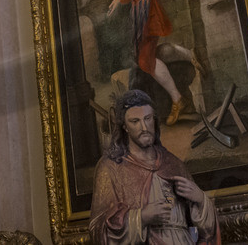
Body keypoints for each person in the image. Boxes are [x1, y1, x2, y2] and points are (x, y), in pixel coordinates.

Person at [108, 0, 217, 125]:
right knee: (151, 55)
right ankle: (188, 54)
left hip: (146, 10)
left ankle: (178, 100)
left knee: (146, 60)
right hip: (142, 8)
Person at [90, 89, 219, 245]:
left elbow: (206, 230)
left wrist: (200, 199)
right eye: (135, 121)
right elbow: (98, 230)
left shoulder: (173, 163)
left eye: (148, 118)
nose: (144, 127)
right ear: (124, 126)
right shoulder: (111, 167)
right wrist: (141, 217)